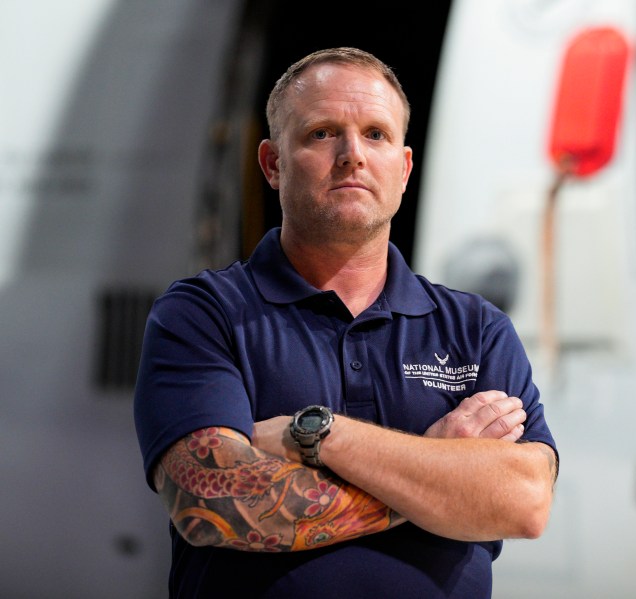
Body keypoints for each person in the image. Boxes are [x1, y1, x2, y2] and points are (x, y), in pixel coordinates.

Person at [133, 47, 558, 598]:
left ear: (404, 170)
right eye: (322, 133)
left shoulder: (475, 329)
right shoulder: (204, 314)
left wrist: (316, 435)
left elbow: (524, 502)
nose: (352, 154)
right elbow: (212, 503)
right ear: (272, 163)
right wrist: (440, 469)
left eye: (376, 134)